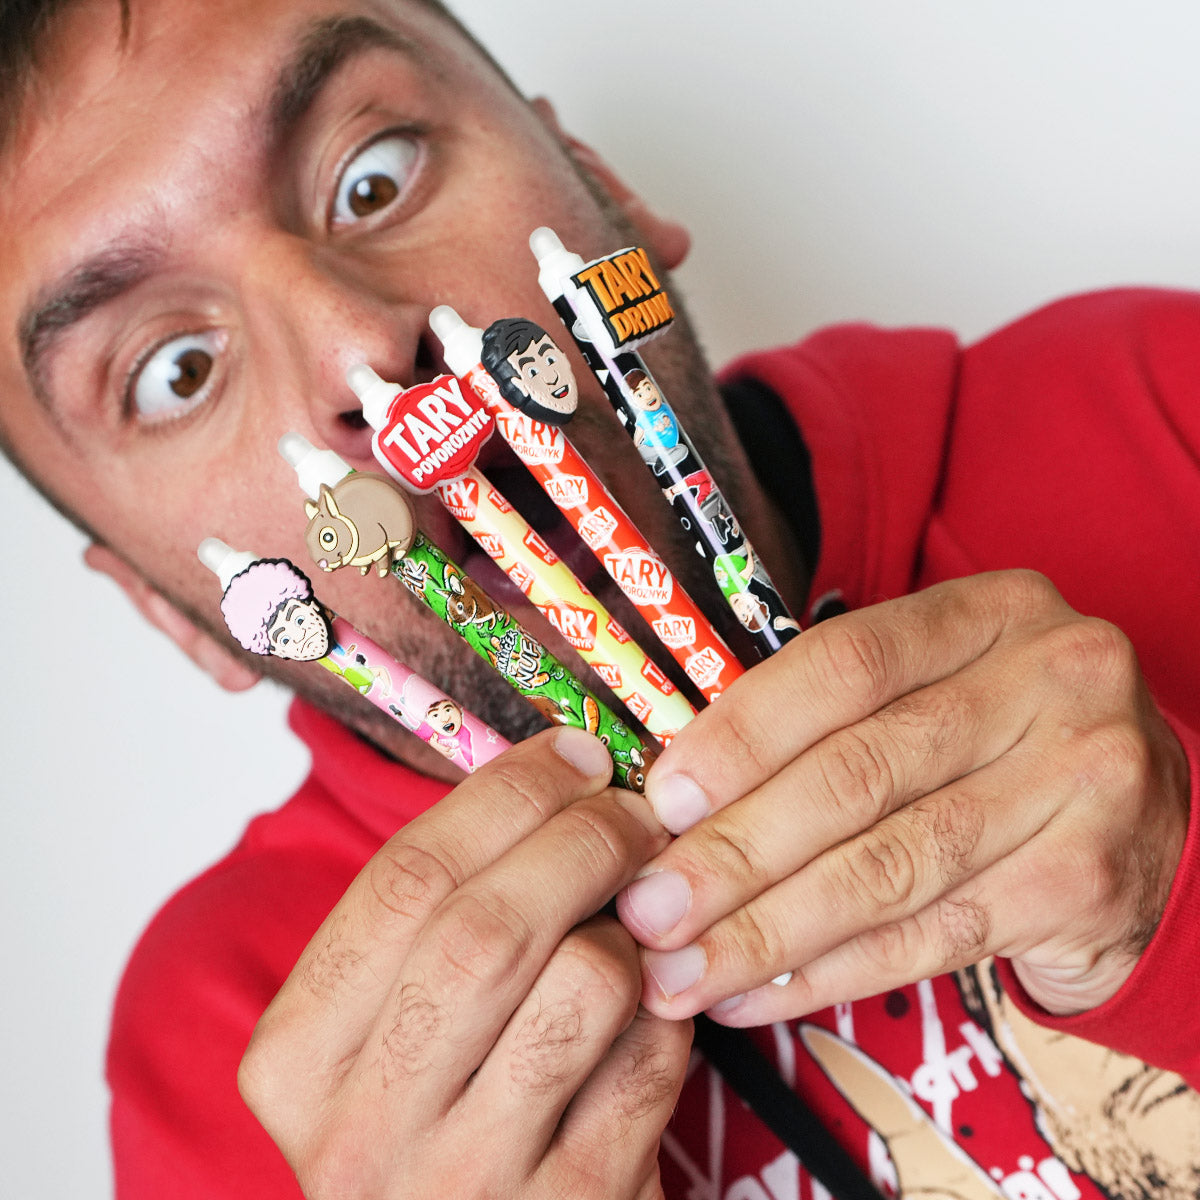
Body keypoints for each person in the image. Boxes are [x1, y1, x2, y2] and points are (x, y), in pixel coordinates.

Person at [1, 2, 1197, 1199]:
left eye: (374, 177)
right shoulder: (223, 1064)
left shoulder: (1159, 402)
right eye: (177, 373)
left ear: (603, 186)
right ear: (176, 612)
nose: (366, 353)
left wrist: (1171, 905)